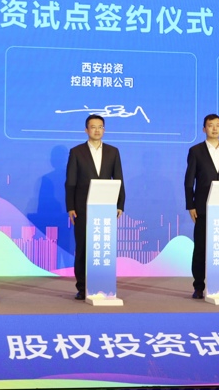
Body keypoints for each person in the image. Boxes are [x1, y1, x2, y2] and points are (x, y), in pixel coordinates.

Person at [65, 115, 125, 300]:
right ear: (86, 130)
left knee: (102, 247)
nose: (97, 130)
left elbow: (119, 178)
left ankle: (102, 284)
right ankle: (82, 287)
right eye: (93, 127)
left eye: (100, 127)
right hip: (82, 207)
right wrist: (70, 206)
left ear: (104, 130)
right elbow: (70, 182)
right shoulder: (77, 152)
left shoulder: (113, 152)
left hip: (106, 206)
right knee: (83, 247)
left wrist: (120, 204)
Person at [184, 113, 219, 299]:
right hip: (202, 208)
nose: (214, 128)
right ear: (204, 129)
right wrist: (190, 205)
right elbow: (189, 181)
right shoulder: (196, 151)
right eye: (210, 125)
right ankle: (198, 286)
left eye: (218, 125)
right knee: (201, 247)